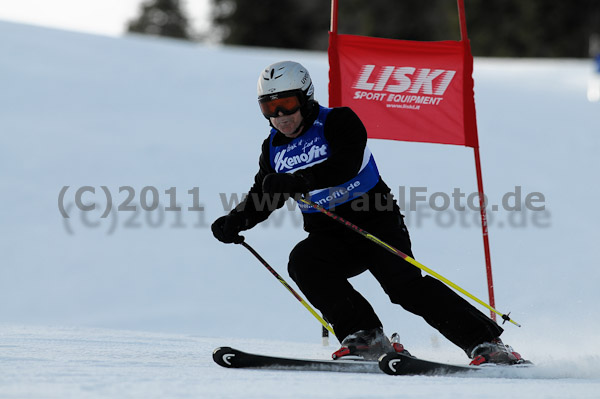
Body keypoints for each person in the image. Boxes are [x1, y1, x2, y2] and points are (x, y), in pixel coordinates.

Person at [211, 60, 525, 365]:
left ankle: (487, 343)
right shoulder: (272, 148)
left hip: (375, 219)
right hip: (328, 233)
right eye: (269, 108)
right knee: (305, 261)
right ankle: (365, 336)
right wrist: (235, 221)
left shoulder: (338, 121)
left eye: (287, 104)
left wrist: (298, 181)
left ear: (306, 98)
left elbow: (345, 164)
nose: (280, 116)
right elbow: (263, 195)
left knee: (404, 287)